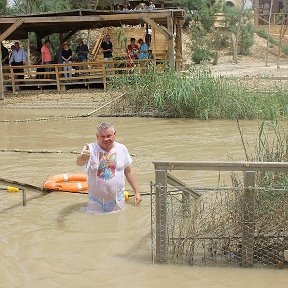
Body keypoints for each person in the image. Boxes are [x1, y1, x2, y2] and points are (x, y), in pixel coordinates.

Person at [76, 122, 142, 214]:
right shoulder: (89, 149)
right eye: (102, 136)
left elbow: (128, 171)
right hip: (95, 201)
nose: (106, 139)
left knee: (118, 225)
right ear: (97, 136)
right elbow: (79, 163)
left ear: (115, 134)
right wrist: (83, 157)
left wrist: (137, 192)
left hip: (117, 199)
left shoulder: (122, 149)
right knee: (95, 225)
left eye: (109, 136)